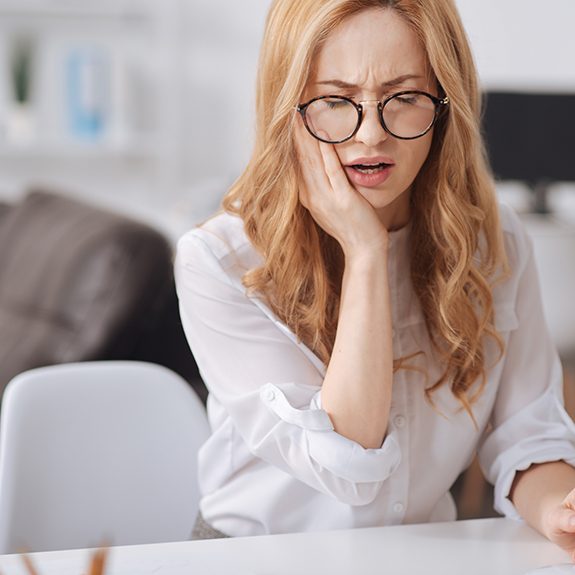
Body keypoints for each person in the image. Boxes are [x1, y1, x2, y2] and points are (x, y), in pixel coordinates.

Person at [175, 0, 575, 555]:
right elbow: (347, 460)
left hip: (419, 556)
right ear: (289, 106)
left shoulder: (495, 241)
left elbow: (528, 434)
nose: (370, 135)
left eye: (405, 98)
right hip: (251, 557)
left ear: (443, 104)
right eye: (336, 100)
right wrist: (365, 252)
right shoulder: (221, 261)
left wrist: (560, 510)